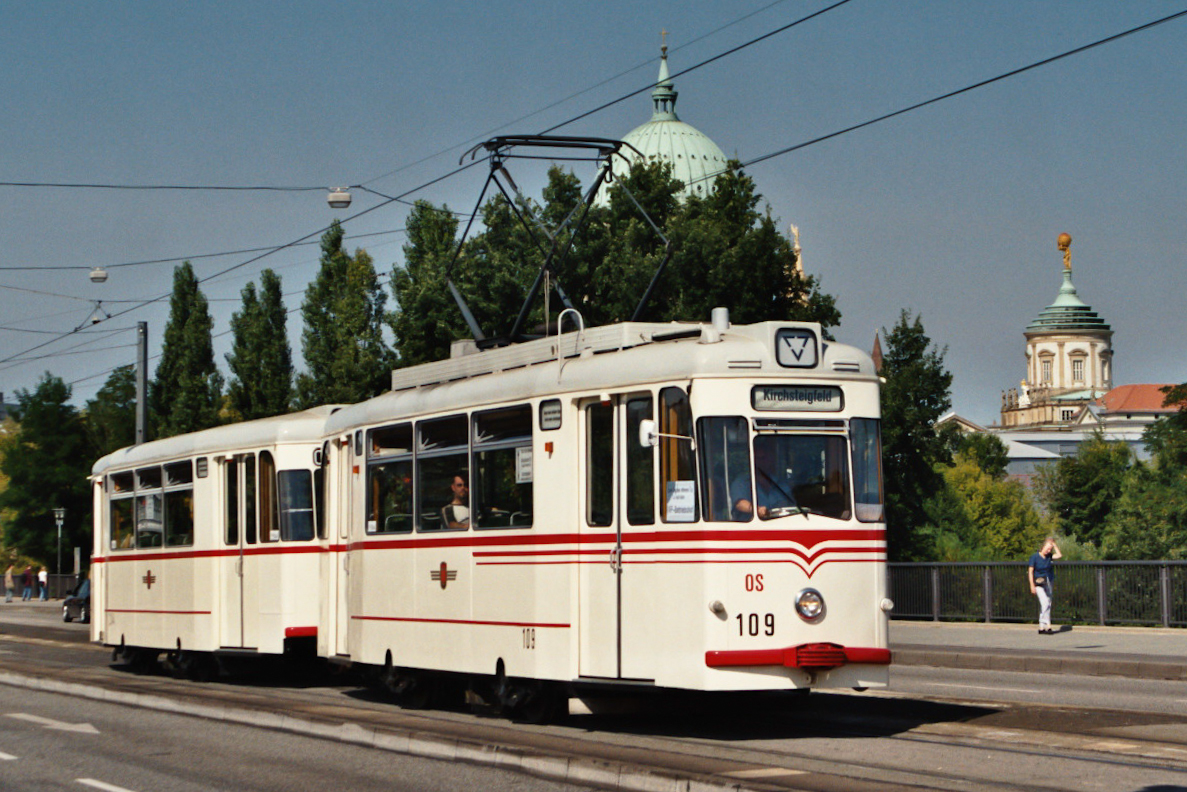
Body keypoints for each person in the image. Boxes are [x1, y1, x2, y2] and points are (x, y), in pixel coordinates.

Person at [732, 440, 797, 520]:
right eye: (758, 458)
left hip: (779, 526)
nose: (761, 462)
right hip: (751, 528)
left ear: (770, 461)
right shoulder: (741, 483)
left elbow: (791, 505)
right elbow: (739, 504)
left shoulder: (780, 483)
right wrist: (757, 510)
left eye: (765, 458)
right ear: (752, 460)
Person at [1028, 537, 1062, 634]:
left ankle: (1042, 627)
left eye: (1050, 549)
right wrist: (1031, 585)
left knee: (1048, 604)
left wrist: (1054, 544)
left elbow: (1059, 555)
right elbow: (1030, 571)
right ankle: (1048, 625)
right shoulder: (1034, 557)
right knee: (1045, 603)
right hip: (1038, 583)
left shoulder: (1049, 556)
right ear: (1042, 547)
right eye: (1047, 548)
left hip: (1048, 581)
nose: (1048, 551)